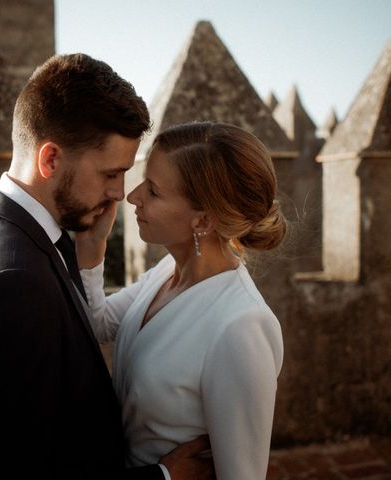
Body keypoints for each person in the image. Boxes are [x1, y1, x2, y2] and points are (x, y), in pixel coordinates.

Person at [0, 54, 214, 480]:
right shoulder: (13, 286)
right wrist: (164, 477)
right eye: (110, 173)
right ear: (50, 160)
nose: (120, 193)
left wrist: (90, 250)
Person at [76, 121, 286, 480]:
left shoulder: (241, 327)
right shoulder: (165, 272)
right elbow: (100, 323)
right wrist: (92, 249)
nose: (132, 196)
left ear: (202, 220)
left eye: (154, 191)